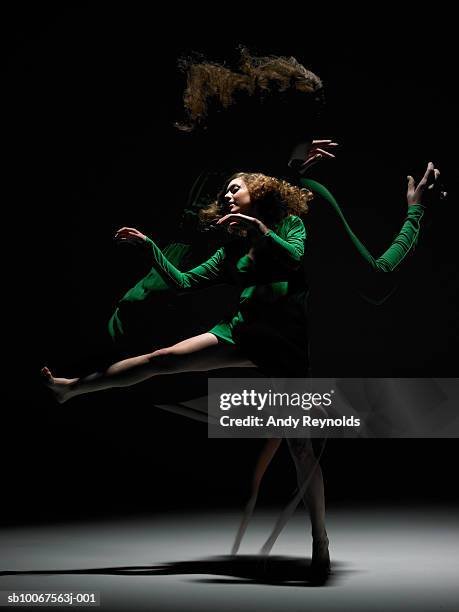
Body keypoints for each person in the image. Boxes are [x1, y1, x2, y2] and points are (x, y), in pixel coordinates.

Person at [42, 161, 440, 579]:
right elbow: (182, 282)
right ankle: (71, 388)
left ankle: (320, 539)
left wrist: (260, 230)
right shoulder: (229, 251)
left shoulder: (288, 226)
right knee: (160, 359)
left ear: (258, 193)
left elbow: (291, 260)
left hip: (284, 348)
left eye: (235, 188)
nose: (227, 195)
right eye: (224, 193)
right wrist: (150, 249)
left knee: (300, 449)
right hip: (239, 334)